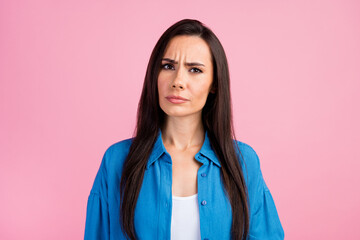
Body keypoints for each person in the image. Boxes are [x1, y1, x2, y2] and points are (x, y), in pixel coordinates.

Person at [84, 19, 284, 240]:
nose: (178, 81)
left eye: (195, 70)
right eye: (168, 66)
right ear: (154, 75)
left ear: (214, 84)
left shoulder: (244, 162)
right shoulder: (116, 160)